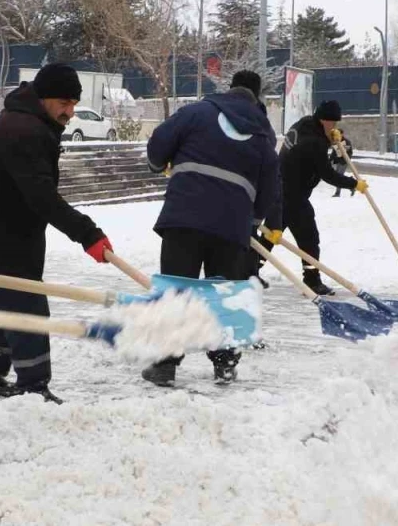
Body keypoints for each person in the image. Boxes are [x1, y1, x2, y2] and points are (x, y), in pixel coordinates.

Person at [0, 63, 113, 403]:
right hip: (0, 227)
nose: (70, 112)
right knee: (27, 303)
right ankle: (33, 386)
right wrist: (88, 234)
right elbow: (41, 196)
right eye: (64, 103)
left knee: (10, 298)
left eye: (74, 103)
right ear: (43, 98)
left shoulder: (17, 118)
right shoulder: (24, 130)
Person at [141, 69, 280, 387]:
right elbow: (272, 185)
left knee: (178, 290)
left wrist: (158, 162)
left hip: (184, 217)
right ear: (256, 98)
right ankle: (225, 365)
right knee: (226, 294)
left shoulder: (197, 112)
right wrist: (253, 219)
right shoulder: (262, 134)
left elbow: (160, 141)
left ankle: (165, 365)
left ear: (230, 89)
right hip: (231, 227)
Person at [263, 100, 366, 296]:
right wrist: (354, 184)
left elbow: (309, 148)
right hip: (294, 195)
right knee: (309, 238)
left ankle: (248, 271)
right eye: (333, 123)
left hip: (278, 189)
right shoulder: (315, 142)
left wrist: (331, 140)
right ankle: (312, 281)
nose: (335, 127)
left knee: (270, 234)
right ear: (324, 121)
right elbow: (327, 174)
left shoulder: (303, 124)